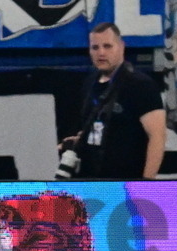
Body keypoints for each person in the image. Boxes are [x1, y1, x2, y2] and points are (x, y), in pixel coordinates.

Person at [58, 22, 166, 180]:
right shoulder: (90, 83)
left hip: (125, 182)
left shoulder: (141, 85)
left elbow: (157, 136)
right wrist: (78, 142)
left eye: (107, 46)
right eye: (95, 47)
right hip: (90, 180)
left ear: (121, 47)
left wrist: (146, 183)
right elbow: (100, 128)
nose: (101, 53)